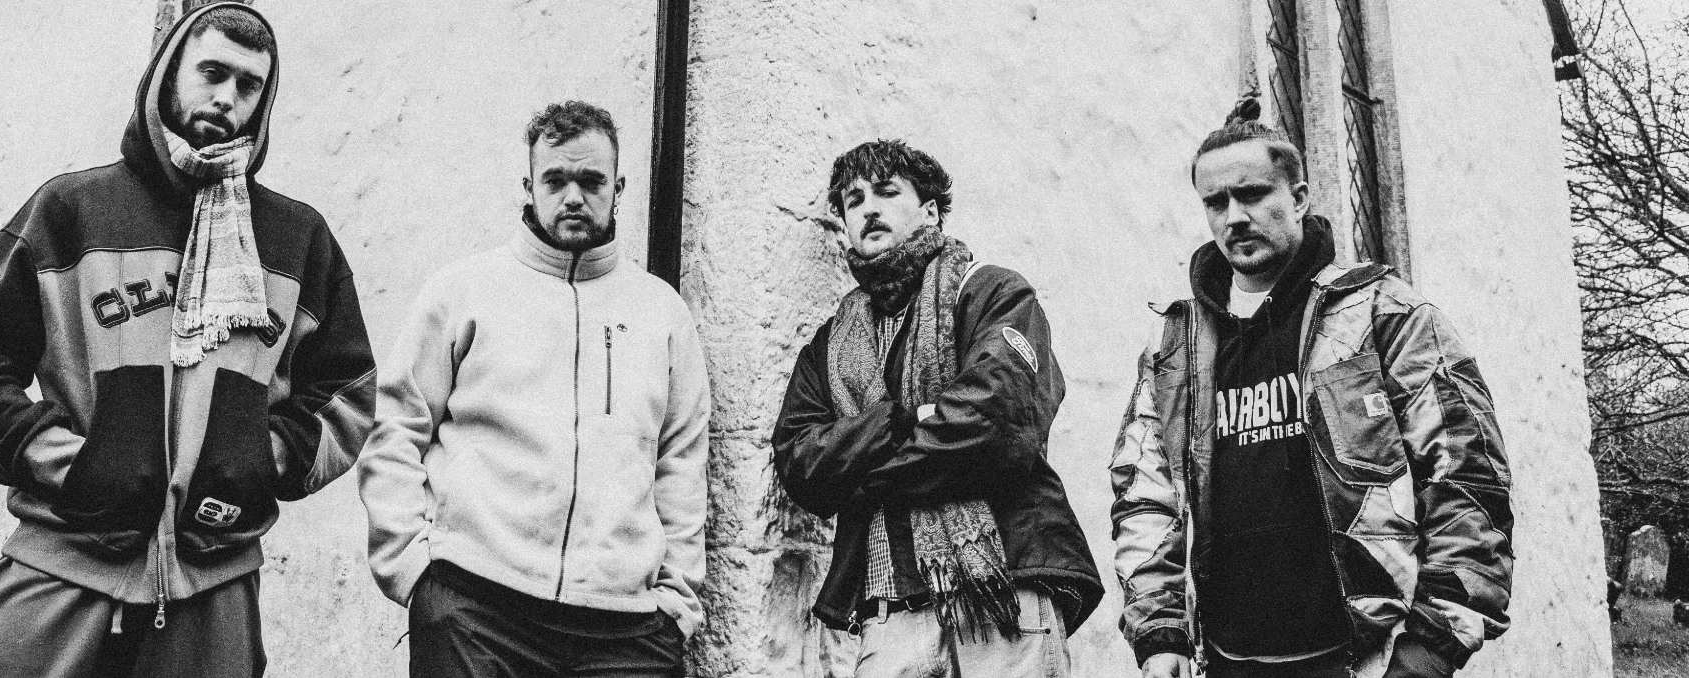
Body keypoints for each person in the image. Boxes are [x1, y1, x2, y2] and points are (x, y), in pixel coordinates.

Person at [0, 3, 376, 677]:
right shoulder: (71, 210)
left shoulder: (297, 239)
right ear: (169, 75)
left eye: (249, 85)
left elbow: (347, 390)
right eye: (212, 73)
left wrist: (264, 458)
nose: (226, 98)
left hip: (214, 582)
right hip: (64, 561)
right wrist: (72, 464)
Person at [1110, 99, 1513, 678]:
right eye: (1216, 202)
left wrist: (1428, 652)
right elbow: (1145, 496)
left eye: (1252, 194)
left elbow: (1466, 482)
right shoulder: (1177, 346)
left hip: (1365, 658)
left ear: (1299, 198)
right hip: (1223, 660)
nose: (1234, 217)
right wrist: (1159, 632)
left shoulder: (1385, 315)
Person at [359, 100, 710, 678]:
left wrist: (674, 606)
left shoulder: (662, 313)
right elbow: (396, 428)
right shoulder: (464, 290)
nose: (573, 196)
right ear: (529, 187)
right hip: (478, 609)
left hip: (623, 629)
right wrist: (415, 575)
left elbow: (682, 463)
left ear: (618, 188)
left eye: (591, 181)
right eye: (555, 180)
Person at [772, 139, 1102, 677]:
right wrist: (902, 420)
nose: (869, 209)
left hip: (1003, 591)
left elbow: (995, 425)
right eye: (855, 200)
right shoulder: (831, 346)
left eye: (887, 192)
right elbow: (802, 464)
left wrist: (859, 463)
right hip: (887, 613)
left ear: (929, 211)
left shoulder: (991, 293)